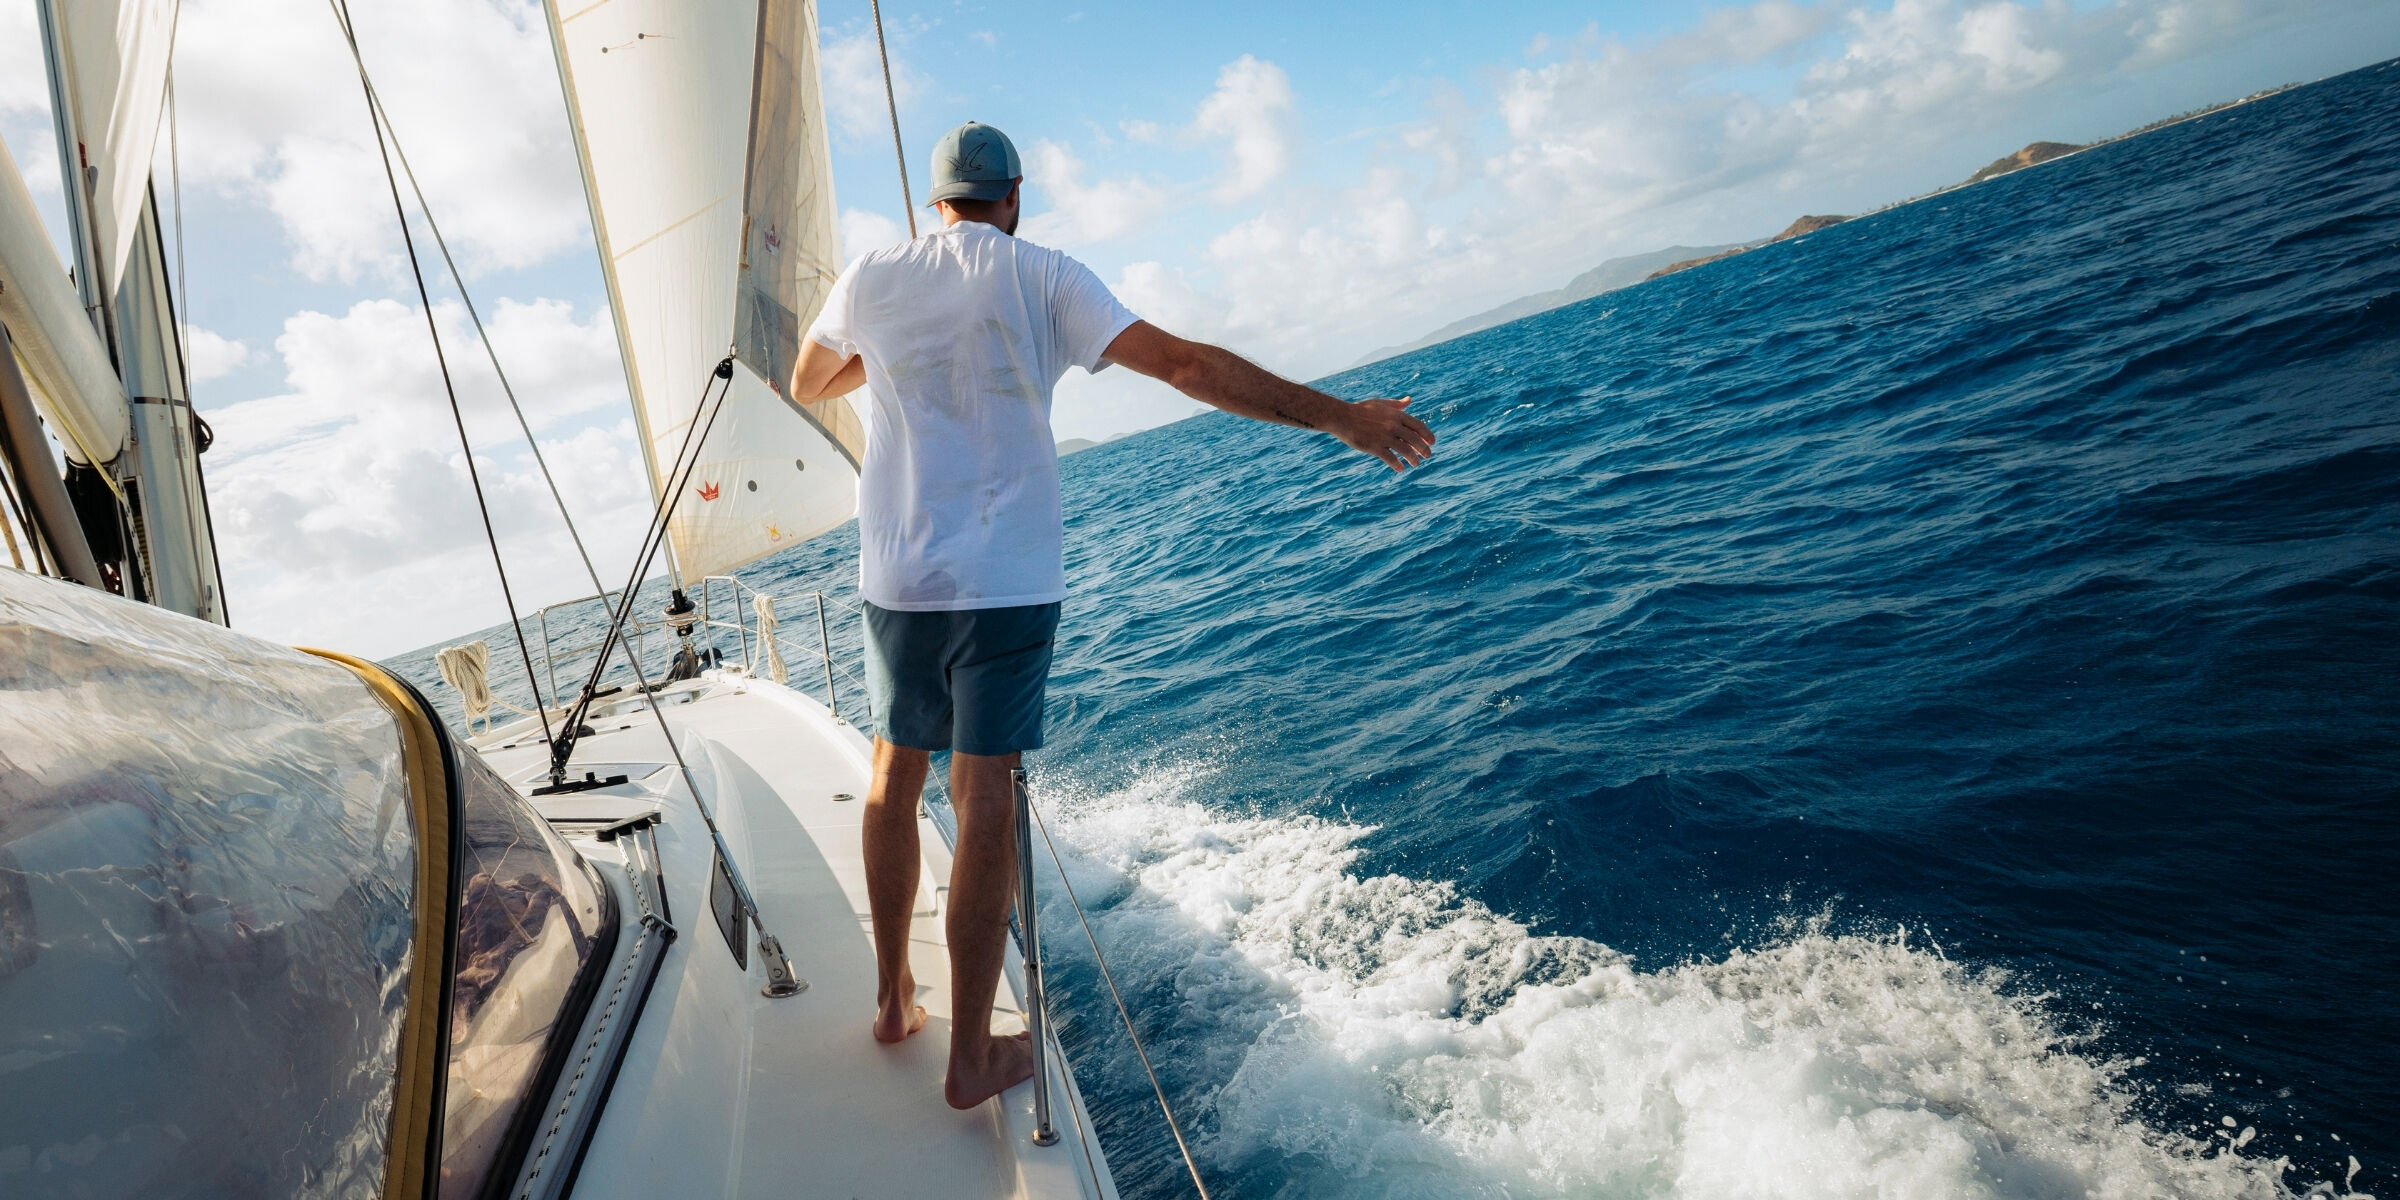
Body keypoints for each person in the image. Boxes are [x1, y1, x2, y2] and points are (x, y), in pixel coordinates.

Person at [786, 121, 1435, 1109]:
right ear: (1013, 199)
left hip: (898, 579)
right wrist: (1342, 416)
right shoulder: (1045, 276)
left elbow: (809, 381)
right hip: (1006, 581)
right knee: (985, 790)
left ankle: (889, 999)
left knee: (893, 767)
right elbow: (1183, 366)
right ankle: (969, 1058)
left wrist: (900, 350)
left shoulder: (873, 275)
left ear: (936, 206)